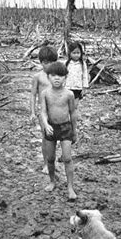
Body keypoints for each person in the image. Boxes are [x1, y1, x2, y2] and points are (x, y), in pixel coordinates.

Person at [40, 61, 78, 201]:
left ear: (65, 77)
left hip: (65, 128)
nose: (57, 78)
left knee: (67, 158)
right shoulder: (45, 93)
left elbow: (73, 113)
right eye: (53, 75)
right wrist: (45, 124)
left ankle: (70, 187)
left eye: (60, 76)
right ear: (48, 77)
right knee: (50, 158)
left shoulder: (69, 94)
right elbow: (43, 112)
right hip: (50, 128)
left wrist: (75, 131)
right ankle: (52, 181)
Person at [30, 45, 58, 173]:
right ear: (41, 62)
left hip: (57, 111)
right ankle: (46, 163)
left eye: (52, 62)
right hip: (44, 112)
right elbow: (33, 95)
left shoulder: (58, 76)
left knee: (54, 138)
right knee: (46, 137)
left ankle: (52, 162)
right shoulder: (38, 77)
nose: (49, 65)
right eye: (46, 62)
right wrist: (32, 112)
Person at [65, 41, 89, 110]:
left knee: (75, 106)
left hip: (78, 88)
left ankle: (73, 119)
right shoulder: (67, 63)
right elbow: (64, 75)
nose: (76, 55)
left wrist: (84, 87)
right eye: (74, 53)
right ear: (70, 53)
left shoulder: (82, 64)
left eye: (78, 53)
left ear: (81, 53)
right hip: (68, 87)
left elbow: (85, 76)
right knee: (68, 105)